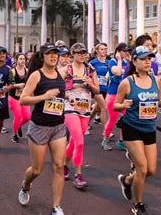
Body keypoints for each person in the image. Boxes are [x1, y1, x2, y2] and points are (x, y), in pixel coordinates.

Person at [17, 44, 67, 215]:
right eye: (50, 54)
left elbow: (61, 94)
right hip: (39, 127)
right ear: (43, 56)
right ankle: (25, 185)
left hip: (58, 127)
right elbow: (23, 100)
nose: (54, 57)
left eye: (56, 54)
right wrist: (44, 97)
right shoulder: (36, 76)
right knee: (37, 169)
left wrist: (70, 99)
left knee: (59, 166)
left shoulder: (62, 73)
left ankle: (56, 207)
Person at [114, 46, 161, 215]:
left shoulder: (156, 80)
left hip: (149, 128)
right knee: (142, 168)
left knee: (151, 170)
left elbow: (159, 99)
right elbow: (115, 105)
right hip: (131, 128)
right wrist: (123, 105)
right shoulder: (127, 82)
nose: (147, 61)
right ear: (134, 61)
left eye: (149, 58)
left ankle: (127, 180)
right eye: (143, 59)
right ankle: (138, 203)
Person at [60, 43, 99, 189]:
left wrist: (90, 83)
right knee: (80, 142)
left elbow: (97, 90)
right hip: (70, 108)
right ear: (72, 54)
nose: (82, 55)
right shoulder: (65, 70)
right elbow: (57, 88)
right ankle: (78, 175)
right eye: (79, 53)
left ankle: (64, 165)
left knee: (75, 141)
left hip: (85, 108)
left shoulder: (90, 70)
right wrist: (67, 94)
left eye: (84, 53)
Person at [102, 42, 131, 151]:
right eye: (124, 51)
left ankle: (121, 141)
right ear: (118, 51)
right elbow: (118, 73)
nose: (126, 53)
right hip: (113, 95)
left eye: (127, 51)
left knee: (127, 117)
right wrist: (119, 60)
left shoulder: (126, 62)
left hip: (123, 95)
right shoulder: (112, 62)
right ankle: (105, 139)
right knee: (113, 119)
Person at [9, 53, 31, 143]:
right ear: (16, 60)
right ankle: (15, 134)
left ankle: (18, 127)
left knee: (27, 117)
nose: (23, 60)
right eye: (20, 59)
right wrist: (16, 85)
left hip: (24, 97)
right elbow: (7, 85)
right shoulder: (12, 71)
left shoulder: (28, 70)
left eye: (24, 59)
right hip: (14, 97)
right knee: (18, 116)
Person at [89, 43, 109, 127]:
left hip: (106, 88)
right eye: (102, 49)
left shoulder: (109, 62)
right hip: (96, 89)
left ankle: (85, 123)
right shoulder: (92, 63)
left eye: (105, 49)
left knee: (97, 109)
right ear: (97, 51)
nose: (104, 51)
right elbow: (88, 74)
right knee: (104, 108)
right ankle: (106, 131)